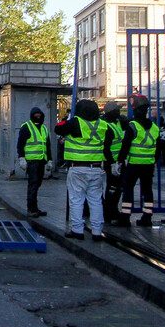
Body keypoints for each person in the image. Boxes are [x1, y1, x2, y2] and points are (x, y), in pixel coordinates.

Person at [54, 99, 115, 241]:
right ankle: (97, 231)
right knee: (96, 200)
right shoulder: (104, 125)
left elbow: (58, 128)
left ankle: (77, 230)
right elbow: (108, 142)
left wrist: (69, 119)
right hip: (97, 168)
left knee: (76, 200)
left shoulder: (75, 123)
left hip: (77, 168)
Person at [119, 94, 165, 227]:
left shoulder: (132, 126)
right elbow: (158, 147)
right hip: (148, 165)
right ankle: (147, 217)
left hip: (134, 164)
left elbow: (125, 145)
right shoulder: (154, 127)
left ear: (135, 109)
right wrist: (154, 160)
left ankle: (125, 217)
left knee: (128, 189)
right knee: (147, 190)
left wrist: (120, 160)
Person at [17, 107, 50, 217]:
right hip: (31, 161)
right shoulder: (26, 127)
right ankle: (31, 209)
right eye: (36, 114)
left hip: (41, 160)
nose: (38, 116)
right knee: (33, 184)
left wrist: (49, 160)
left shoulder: (44, 128)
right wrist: (21, 158)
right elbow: (20, 144)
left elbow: (47, 145)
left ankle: (34, 208)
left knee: (37, 184)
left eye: (39, 114)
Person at [101, 101, 128, 226]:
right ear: (111, 112)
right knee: (112, 188)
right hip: (111, 163)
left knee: (118, 188)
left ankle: (113, 210)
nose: (119, 112)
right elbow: (105, 148)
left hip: (119, 162)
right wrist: (112, 163)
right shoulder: (106, 126)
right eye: (116, 110)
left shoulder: (117, 123)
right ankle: (109, 212)